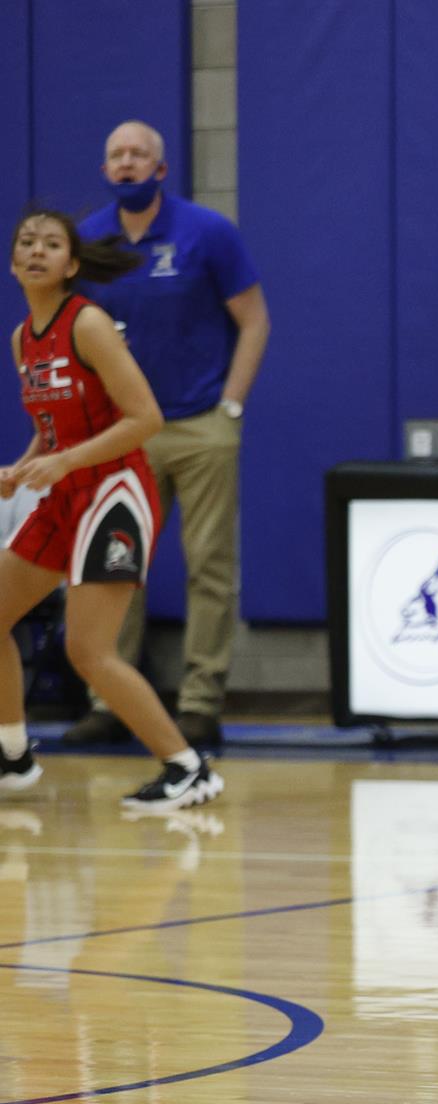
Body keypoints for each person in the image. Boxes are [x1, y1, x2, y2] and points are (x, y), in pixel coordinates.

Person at [6, 209, 222, 810]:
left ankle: (187, 767)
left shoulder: (89, 324)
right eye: (26, 242)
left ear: (71, 265)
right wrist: (24, 467)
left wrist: (64, 463)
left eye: (51, 244)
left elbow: (145, 419)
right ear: (13, 261)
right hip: (64, 490)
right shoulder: (24, 337)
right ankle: (13, 754)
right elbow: (51, 429)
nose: (36, 251)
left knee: (88, 651)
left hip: (114, 492)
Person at [65, 120, 270, 753]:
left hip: (198, 424)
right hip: (122, 431)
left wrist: (230, 407)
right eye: (116, 155)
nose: (127, 163)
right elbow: (69, 331)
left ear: (161, 169)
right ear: (105, 171)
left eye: (139, 155)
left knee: (208, 565)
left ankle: (201, 703)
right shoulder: (89, 240)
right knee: (113, 567)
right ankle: (109, 702)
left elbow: (255, 320)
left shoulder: (207, 232)